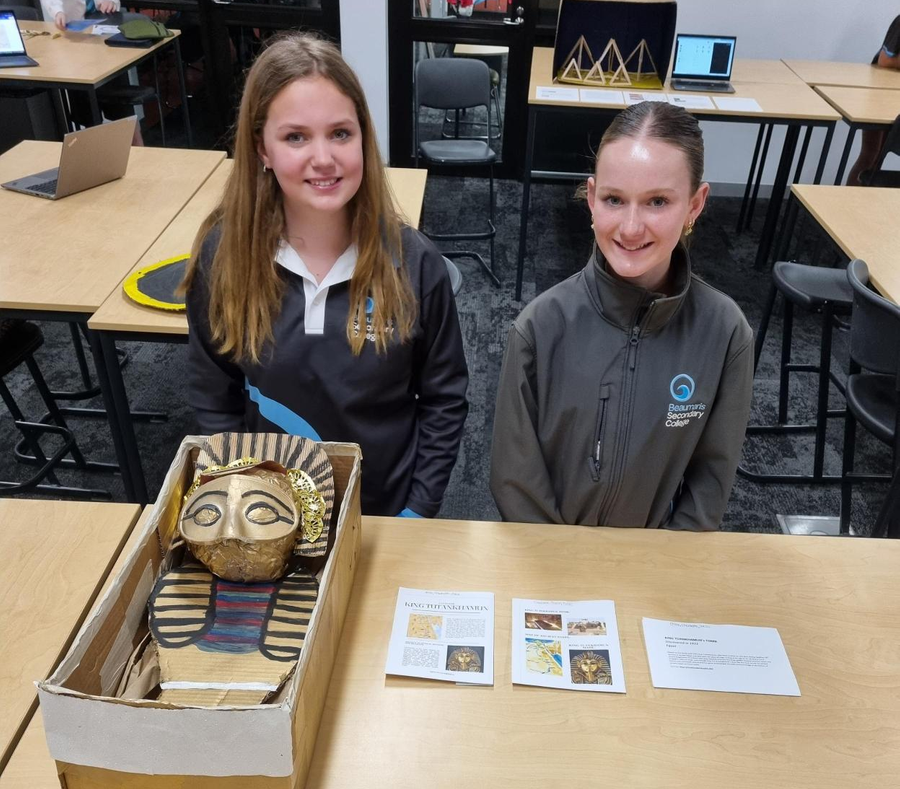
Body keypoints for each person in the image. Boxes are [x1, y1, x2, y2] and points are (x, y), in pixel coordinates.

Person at [184, 33, 468, 519]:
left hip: (384, 512)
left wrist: (418, 509)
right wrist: (239, 498)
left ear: (363, 138)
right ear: (262, 149)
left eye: (340, 133)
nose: (323, 158)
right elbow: (214, 395)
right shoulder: (224, 258)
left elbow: (444, 400)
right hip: (271, 516)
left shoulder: (416, 264)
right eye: (296, 137)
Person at [490, 101, 753, 531]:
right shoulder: (540, 328)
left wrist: (656, 561)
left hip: (654, 561)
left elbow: (710, 482)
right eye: (614, 199)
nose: (631, 228)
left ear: (695, 204)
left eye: (657, 202)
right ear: (592, 199)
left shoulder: (725, 333)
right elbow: (515, 480)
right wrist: (554, 561)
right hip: (545, 558)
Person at [36, 0, 144, 145]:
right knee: (87, 111)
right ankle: (97, 151)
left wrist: (110, 1)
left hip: (104, 33)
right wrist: (58, 11)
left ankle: (138, 148)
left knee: (122, 109)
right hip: (76, 39)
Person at [846, 14, 900, 185]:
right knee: (871, 155)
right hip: (880, 96)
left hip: (896, 99)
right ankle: (848, 198)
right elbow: (885, 60)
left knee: (877, 159)